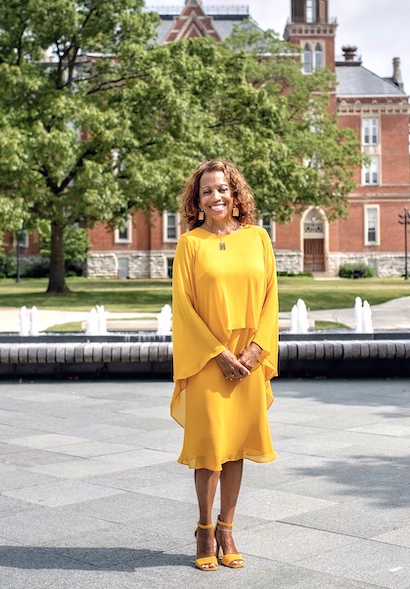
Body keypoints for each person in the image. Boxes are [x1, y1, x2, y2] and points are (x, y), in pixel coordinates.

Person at [171, 159, 278, 571]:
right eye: (206, 192)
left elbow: (271, 299)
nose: (215, 197)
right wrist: (218, 352)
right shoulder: (190, 244)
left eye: (222, 189)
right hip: (208, 358)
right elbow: (184, 308)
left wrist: (256, 350)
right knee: (209, 448)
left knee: (236, 448)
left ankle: (226, 528)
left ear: (235, 194)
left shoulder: (258, 239)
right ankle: (203, 528)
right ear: (197, 202)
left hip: (249, 358)